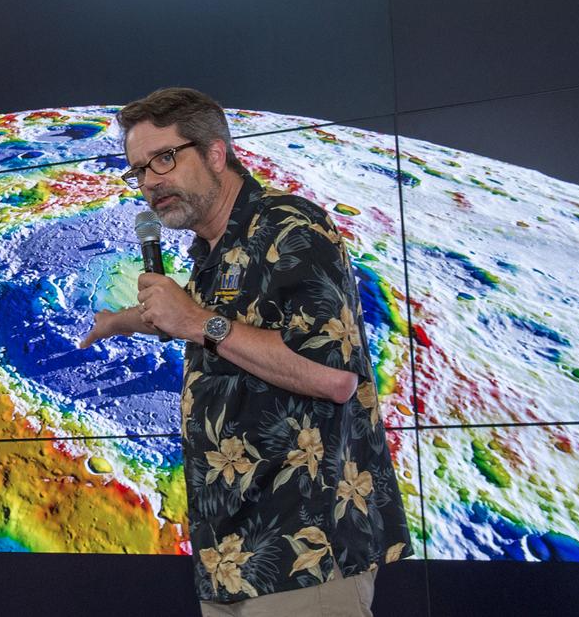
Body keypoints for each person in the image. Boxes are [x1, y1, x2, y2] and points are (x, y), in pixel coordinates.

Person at [80, 87, 411, 616]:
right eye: (138, 170)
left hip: (303, 553)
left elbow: (333, 377)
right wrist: (120, 322)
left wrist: (195, 321)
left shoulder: (291, 227)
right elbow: (205, 322)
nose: (149, 182)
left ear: (216, 153)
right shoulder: (214, 250)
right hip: (230, 557)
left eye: (164, 158)